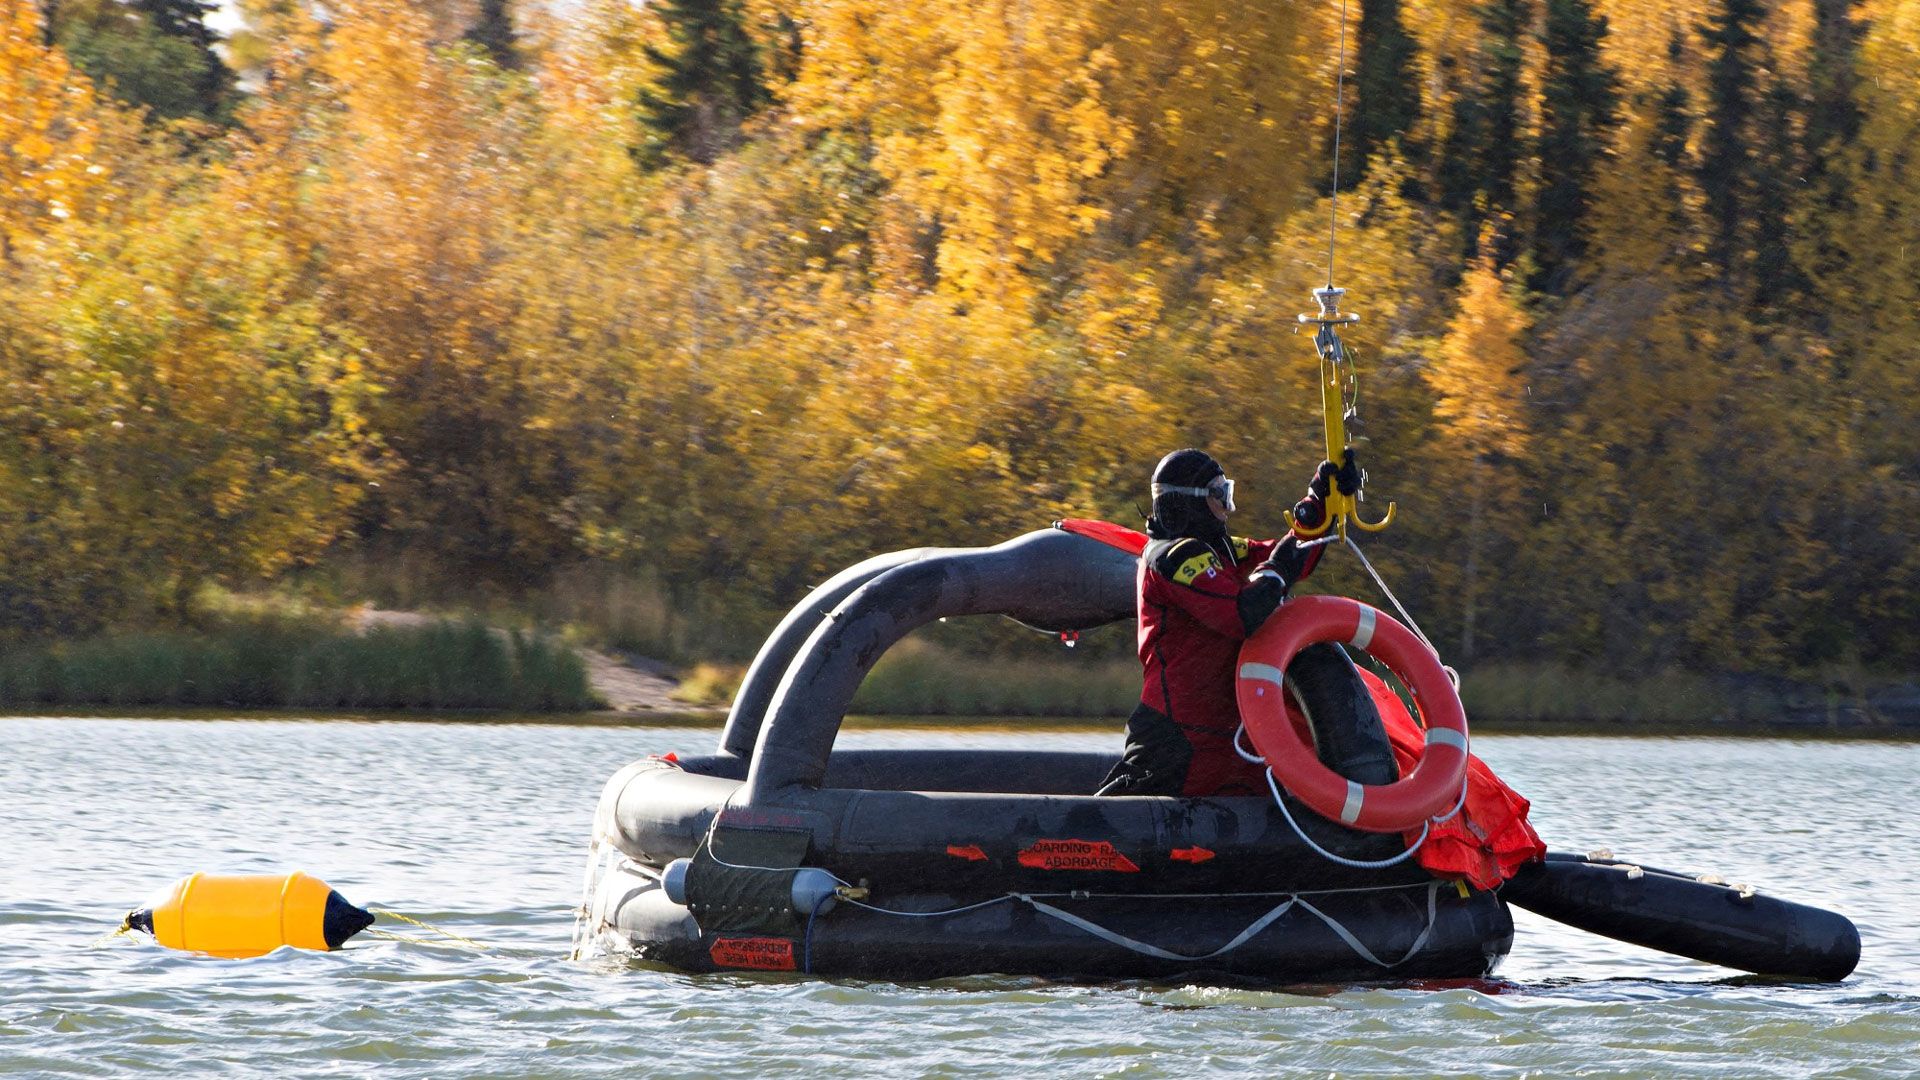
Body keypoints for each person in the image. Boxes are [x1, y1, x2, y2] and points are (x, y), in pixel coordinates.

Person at [1096, 449, 1351, 797]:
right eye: (1220, 496)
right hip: (1176, 739)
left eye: (1227, 493)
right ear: (1191, 504)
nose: (1228, 508)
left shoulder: (1224, 550)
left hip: (1231, 737)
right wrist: (1278, 571)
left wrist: (1322, 502)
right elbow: (1242, 613)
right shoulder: (1173, 556)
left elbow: (1287, 555)